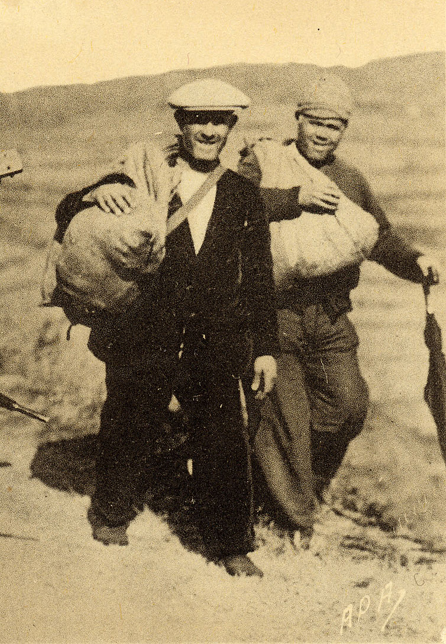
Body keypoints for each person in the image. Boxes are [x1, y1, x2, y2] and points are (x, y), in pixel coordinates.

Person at [54, 79, 278, 576]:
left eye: (219, 120)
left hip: (214, 339)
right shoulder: (144, 179)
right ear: (181, 124)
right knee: (128, 421)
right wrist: (99, 190)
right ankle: (111, 514)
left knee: (222, 436)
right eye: (198, 119)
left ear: (231, 128)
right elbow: (66, 210)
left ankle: (229, 543)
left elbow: (260, 279)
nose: (209, 129)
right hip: (144, 331)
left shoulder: (243, 196)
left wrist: (265, 349)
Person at [239, 75, 442, 538]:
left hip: (330, 317)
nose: (323, 133)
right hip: (274, 315)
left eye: (334, 126)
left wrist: (416, 261)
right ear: (299, 119)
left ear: (343, 130)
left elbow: (379, 236)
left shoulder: (350, 179)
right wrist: (294, 199)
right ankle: (293, 524)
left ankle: (292, 487)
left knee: (348, 407)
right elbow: (232, 206)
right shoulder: (266, 162)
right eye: (315, 122)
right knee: (284, 418)